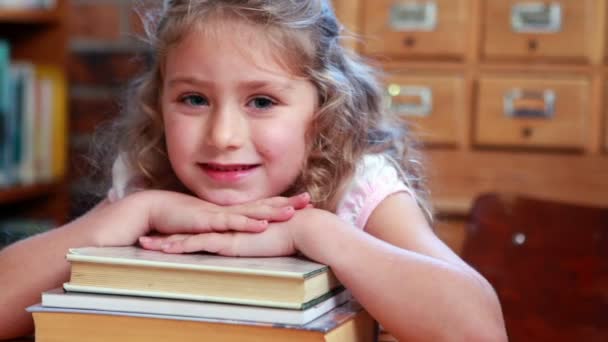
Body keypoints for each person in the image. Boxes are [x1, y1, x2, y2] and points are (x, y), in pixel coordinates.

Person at [0, 0, 507, 340]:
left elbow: (480, 329)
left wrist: (311, 228)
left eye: (261, 101)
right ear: (159, 100)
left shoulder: (357, 185)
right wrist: (131, 213)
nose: (222, 136)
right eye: (193, 99)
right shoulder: (146, 177)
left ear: (325, 107)